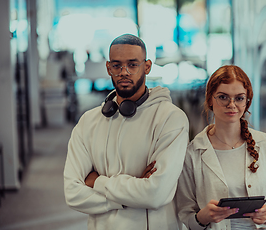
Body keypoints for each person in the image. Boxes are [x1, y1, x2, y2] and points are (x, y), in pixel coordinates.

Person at [64, 34, 189, 230]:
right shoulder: (89, 122)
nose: (124, 72)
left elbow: (156, 194)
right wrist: (133, 193)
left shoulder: (170, 118)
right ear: (108, 67)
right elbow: (73, 193)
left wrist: (98, 182)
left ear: (147, 66)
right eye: (117, 65)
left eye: (133, 65)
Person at [176, 65, 266, 229]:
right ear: (210, 99)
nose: (231, 104)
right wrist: (203, 216)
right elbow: (185, 215)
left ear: (247, 101)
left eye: (239, 98)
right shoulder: (192, 152)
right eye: (223, 97)